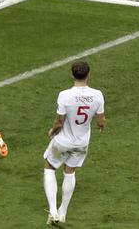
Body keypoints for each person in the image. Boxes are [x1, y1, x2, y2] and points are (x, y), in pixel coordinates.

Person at [42, 61, 105, 225]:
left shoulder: (64, 95)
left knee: (49, 168)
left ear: (72, 75)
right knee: (70, 172)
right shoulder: (98, 95)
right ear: (89, 74)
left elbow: (59, 122)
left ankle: (53, 211)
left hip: (63, 141)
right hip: (81, 143)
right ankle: (63, 212)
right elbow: (100, 121)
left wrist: (52, 131)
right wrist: (101, 127)